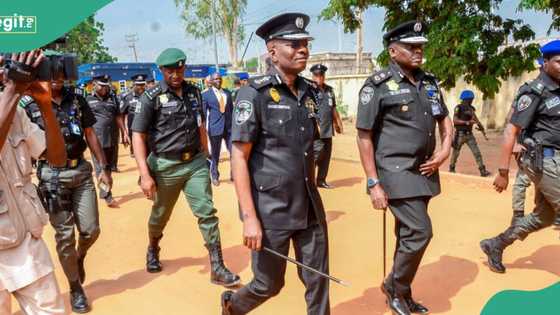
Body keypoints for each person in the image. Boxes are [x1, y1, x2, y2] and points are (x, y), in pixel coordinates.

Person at [221, 13, 330, 315]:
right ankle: (233, 306)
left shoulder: (310, 92)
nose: (303, 50)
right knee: (268, 284)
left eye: (305, 43)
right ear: (272, 51)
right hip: (271, 210)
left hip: (309, 205)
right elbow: (239, 159)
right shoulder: (253, 94)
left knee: (318, 280)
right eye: (294, 44)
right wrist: (249, 218)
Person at [356, 21, 453, 315]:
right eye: (411, 46)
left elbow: (444, 119)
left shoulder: (429, 82)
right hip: (395, 171)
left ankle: (403, 290)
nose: (419, 51)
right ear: (393, 50)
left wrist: (445, 149)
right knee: (421, 231)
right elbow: (364, 135)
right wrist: (373, 182)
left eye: (420, 45)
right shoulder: (378, 85)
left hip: (424, 169)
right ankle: (395, 287)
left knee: (407, 234)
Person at [131, 48, 240, 287]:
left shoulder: (193, 92)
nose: (175, 74)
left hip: (194, 163)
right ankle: (153, 247)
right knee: (160, 215)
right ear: (161, 71)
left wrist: (206, 151)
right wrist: (144, 174)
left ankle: (217, 266)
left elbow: (199, 121)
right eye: (170, 70)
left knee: (206, 212)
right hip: (164, 166)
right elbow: (137, 135)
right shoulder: (150, 98)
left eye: (179, 69)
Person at [21, 53, 113, 313]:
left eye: (61, 74)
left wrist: (103, 168)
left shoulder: (78, 99)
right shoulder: (29, 105)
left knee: (91, 230)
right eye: (52, 74)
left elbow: (90, 134)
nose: (57, 79)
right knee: (64, 237)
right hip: (51, 176)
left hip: (81, 172)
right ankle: (75, 287)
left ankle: (79, 256)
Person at [480, 40, 560, 273]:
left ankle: (496, 244)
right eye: (558, 61)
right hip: (543, 161)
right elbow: (510, 130)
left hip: (555, 160)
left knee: (544, 217)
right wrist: (503, 172)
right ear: (545, 63)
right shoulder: (534, 91)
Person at [0, 50, 66, 315]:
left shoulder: (13, 109)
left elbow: (57, 158)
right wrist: (14, 89)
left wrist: (46, 106)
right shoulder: (10, 98)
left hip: (26, 246)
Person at [86, 75, 128, 207]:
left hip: (112, 138)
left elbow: (118, 116)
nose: (104, 88)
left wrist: (124, 132)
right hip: (97, 140)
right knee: (101, 168)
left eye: (106, 86)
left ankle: (105, 189)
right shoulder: (87, 100)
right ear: (94, 85)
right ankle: (107, 195)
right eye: (101, 86)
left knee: (108, 168)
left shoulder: (113, 99)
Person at [310, 64, 343, 188]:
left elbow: (333, 108)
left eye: (321, 75)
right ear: (313, 76)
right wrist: (315, 124)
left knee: (326, 156)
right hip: (316, 130)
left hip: (328, 129)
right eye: (317, 75)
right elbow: (309, 109)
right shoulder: (310, 90)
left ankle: (321, 180)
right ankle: (308, 181)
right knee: (316, 154)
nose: (319, 78)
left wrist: (338, 122)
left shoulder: (329, 90)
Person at [448, 90, 491, 176]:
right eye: (471, 99)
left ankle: (482, 171)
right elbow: (455, 121)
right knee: (455, 153)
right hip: (460, 134)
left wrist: (482, 131)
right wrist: (467, 122)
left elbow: (476, 120)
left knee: (477, 153)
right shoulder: (458, 108)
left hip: (469, 135)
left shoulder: (471, 109)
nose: (472, 100)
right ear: (466, 99)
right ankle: (451, 168)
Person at [202, 72, 234, 186]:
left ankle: (234, 174)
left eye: (220, 79)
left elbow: (231, 111)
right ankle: (215, 176)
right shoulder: (206, 95)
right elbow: (204, 114)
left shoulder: (228, 93)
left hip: (229, 128)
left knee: (233, 152)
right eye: (216, 79)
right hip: (215, 128)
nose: (218, 81)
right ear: (211, 81)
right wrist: (204, 129)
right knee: (215, 154)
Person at [121, 74, 148, 156]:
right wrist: (124, 132)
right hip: (134, 131)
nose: (141, 87)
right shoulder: (127, 98)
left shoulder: (150, 96)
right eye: (138, 85)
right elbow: (121, 115)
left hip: (148, 130)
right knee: (137, 155)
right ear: (134, 84)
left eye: (142, 84)